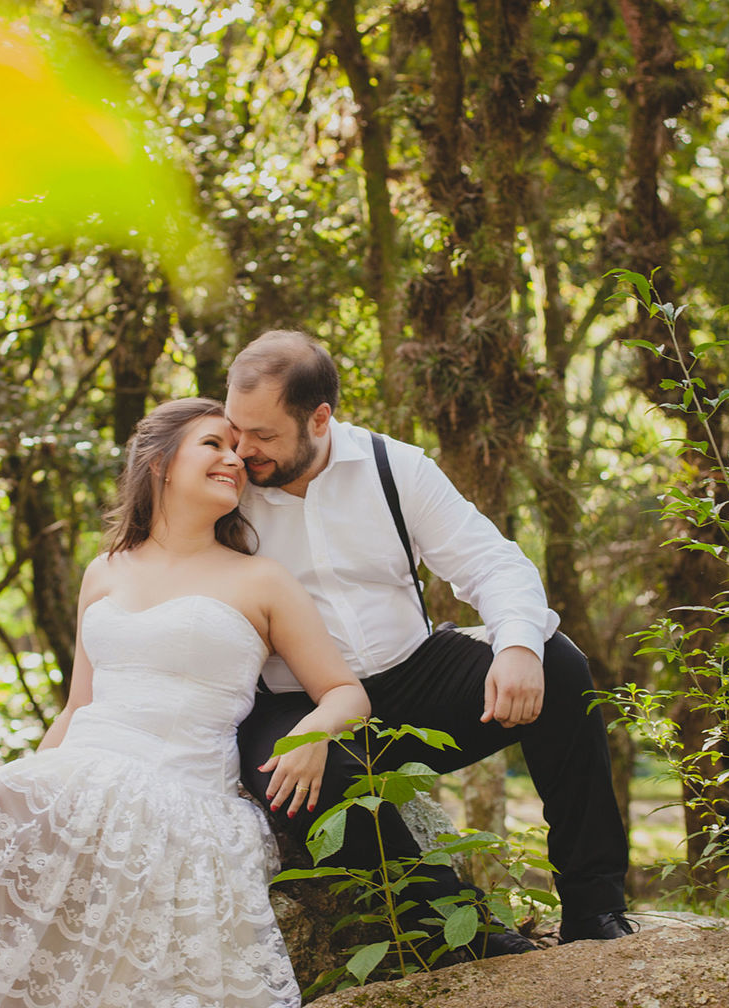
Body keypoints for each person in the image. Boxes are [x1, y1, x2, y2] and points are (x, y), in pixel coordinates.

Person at [0, 398, 370, 1008]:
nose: (234, 459)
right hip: (86, 762)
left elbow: (346, 692)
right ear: (159, 463)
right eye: (213, 444)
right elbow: (76, 706)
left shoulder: (261, 579)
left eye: (238, 450)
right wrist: (26, 786)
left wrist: (315, 733)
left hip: (182, 785)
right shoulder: (105, 571)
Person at [226, 330, 633, 953]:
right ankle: (461, 930)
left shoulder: (395, 468)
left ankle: (594, 907)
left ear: (319, 417)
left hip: (413, 677)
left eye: (263, 435)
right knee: (294, 774)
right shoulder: (226, 489)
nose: (242, 449)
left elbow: (494, 565)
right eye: (235, 427)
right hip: (295, 700)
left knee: (561, 663)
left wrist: (519, 648)